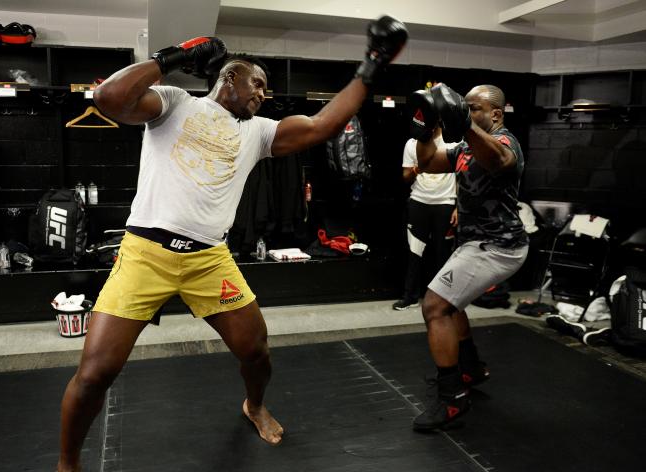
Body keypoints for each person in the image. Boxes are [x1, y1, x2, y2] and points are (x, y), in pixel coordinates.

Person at [57, 16, 408, 471]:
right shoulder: (173, 101)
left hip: (209, 259)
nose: (263, 94)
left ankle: (254, 405)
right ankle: (67, 463)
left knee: (256, 351)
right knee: (95, 374)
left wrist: (372, 66)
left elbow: (322, 124)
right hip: (145, 254)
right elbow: (107, 98)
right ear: (229, 76)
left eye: (266, 90)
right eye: (257, 84)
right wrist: (174, 57)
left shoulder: (258, 131)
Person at [410, 83, 529, 431]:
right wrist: (425, 129)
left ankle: (452, 399)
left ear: (496, 114)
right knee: (452, 302)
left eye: (474, 108)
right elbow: (428, 163)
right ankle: (471, 368)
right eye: (465, 107)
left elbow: (498, 160)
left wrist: (463, 122)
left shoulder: (506, 143)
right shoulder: (464, 145)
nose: (467, 112)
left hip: (499, 246)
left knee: (434, 306)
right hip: (472, 243)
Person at [393, 126, 458, 310]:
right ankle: (410, 297)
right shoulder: (412, 144)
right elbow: (406, 176)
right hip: (418, 202)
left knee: (443, 254)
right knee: (414, 252)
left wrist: (458, 208)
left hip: (446, 203)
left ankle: (443, 300)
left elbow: (462, 176)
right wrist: (419, 167)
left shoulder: (454, 143)